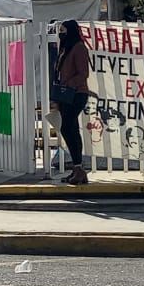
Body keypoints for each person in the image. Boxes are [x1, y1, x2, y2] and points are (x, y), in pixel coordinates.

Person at [55, 19, 91, 185]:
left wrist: (67, 85)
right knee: (71, 128)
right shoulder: (65, 49)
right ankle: (78, 169)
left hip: (76, 93)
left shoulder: (79, 48)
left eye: (63, 31)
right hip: (66, 94)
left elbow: (83, 73)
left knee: (68, 127)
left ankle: (78, 167)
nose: (61, 34)